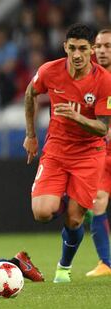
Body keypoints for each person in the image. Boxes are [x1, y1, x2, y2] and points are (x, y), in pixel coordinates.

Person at [23, 23, 111, 283]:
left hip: (89, 154)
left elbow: (102, 128)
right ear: (65, 47)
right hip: (57, 151)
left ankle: (64, 266)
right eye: (72, 48)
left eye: (83, 49)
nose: (77, 54)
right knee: (41, 212)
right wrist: (30, 135)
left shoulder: (104, 81)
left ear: (91, 50)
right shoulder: (49, 71)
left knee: (74, 220)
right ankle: (63, 196)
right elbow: (30, 94)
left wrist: (75, 116)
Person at [85, 29, 111, 277]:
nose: (102, 50)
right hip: (102, 150)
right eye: (99, 46)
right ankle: (107, 263)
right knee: (97, 200)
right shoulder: (88, 77)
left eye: (108, 46)